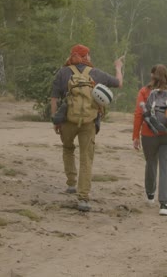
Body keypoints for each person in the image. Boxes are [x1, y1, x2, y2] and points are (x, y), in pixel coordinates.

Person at [51, 44, 124, 212]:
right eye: (89, 55)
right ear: (86, 57)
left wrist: (55, 120)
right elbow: (119, 83)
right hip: (89, 123)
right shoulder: (96, 73)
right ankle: (83, 198)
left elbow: (54, 98)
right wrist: (118, 67)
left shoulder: (63, 72)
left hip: (68, 120)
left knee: (68, 148)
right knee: (86, 158)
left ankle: (71, 183)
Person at [132, 64, 167, 216]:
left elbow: (138, 114)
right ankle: (165, 204)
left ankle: (150, 195)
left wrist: (135, 136)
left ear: (151, 75)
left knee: (151, 163)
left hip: (149, 135)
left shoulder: (144, 91)